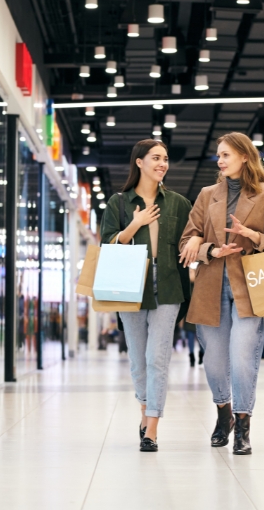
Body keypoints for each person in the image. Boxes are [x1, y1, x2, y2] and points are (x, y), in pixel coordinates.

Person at [179, 132, 264, 455]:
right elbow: (186, 243)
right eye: (219, 155)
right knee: (213, 362)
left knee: (242, 359)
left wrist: (250, 234)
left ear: (244, 156)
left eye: (226, 154)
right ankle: (223, 411)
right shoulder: (206, 194)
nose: (220, 160)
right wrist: (209, 249)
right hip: (210, 286)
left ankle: (242, 425)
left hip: (250, 288)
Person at [100, 139, 192, 453]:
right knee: (138, 360)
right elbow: (107, 245)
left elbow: (191, 238)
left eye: (165, 158)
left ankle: (152, 426)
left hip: (168, 284)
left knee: (158, 359)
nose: (162, 163)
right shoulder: (119, 203)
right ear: (139, 162)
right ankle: (144, 409)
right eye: (156, 158)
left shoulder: (178, 203)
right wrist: (134, 225)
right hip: (129, 286)